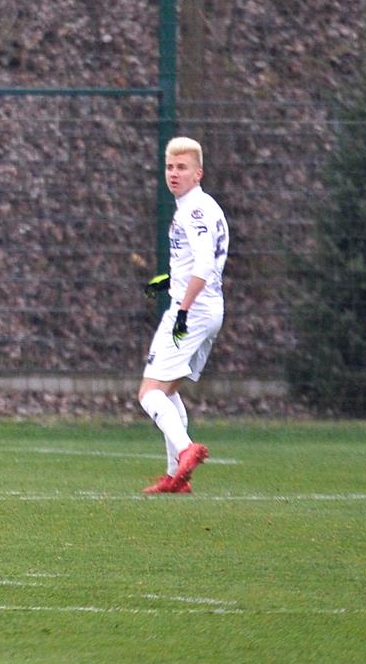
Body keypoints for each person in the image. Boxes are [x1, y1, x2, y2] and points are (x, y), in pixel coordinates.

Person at [138, 136, 227, 494]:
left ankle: (186, 449)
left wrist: (183, 309)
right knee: (169, 389)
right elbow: (199, 261)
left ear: (198, 173)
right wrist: (168, 282)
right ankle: (175, 476)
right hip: (209, 308)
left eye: (182, 167)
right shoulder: (201, 206)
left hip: (193, 310)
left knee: (149, 392)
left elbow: (204, 264)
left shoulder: (194, 210)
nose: (174, 173)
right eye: (170, 167)